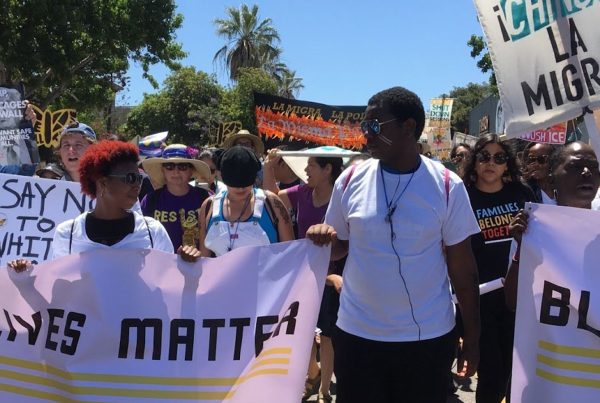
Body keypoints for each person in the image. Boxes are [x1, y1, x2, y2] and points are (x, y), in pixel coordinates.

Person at [306, 86, 481, 403]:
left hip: (427, 340)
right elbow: (338, 247)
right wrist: (322, 239)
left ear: (408, 127)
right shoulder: (350, 179)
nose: (366, 136)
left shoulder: (446, 186)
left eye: (374, 126)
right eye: (364, 127)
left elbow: (463, 270)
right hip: (357, 337)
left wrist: (472, 336)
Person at [8, 141, 200, 273]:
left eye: (140, 178)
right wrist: (23, 276)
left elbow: (167, 284)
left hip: (135, 331)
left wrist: (186, 265)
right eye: (130, 178)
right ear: (102, 183)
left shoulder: (153, 231)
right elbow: (59, 289)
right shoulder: (68, 234)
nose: (138, 185)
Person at [264, 150, 343, 402]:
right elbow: (273, 199)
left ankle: (323, 390)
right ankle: (313, 373)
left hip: (335, 275)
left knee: (328, 335)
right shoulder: (302, 192)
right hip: (305, 274)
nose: (306, 171)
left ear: (328, 169)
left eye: (311, 166)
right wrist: (268, 167)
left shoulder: (342, 197)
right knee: (304, 329)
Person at [462, 134, 534, 403]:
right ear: (474, 162)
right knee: (490, 373)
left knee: (514, 371)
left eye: (499, 157)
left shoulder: (522, 194)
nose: (491, 162)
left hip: (518, 297)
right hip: (479, 299)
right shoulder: (463, 197)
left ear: (507, 165)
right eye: (484, 156)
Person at [505, 141, 600, 310]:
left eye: (593, 167)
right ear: (552, 179)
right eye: (575, 166)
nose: (587, 173)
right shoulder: (531, 227)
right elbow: (513, 302)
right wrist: (522, 250)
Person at [198, 146, 294, 257]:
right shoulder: (209, 206)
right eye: (233, 183)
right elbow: (204, 259)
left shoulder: (271, 203)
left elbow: (290, 253)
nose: (240, 189)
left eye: (246, 183)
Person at [141, 144, 211, 251]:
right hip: (161, 264)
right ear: (163, 170)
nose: (176, 171)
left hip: (197, 264)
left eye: (182, 166)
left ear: (191, 171)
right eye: (169, 166)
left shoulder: (205, 198)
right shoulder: (150, 200)